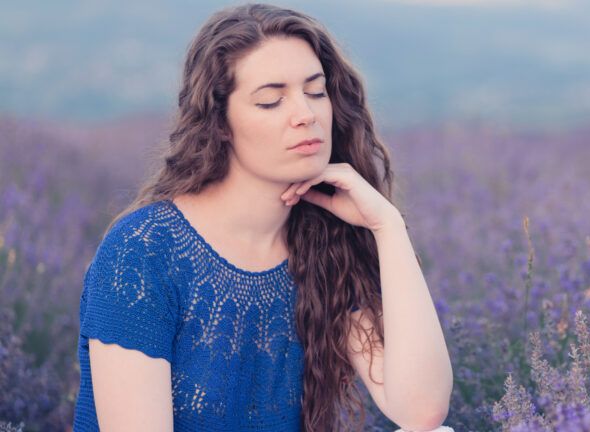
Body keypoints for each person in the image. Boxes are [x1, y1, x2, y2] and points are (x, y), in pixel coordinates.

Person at [72, 3, 453, 431]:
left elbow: (422, 411)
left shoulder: (322, 244)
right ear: (220, 123)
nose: (305, 115)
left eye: (315, 91)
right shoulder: (144, 252)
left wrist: (388, 227)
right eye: (271, 101)